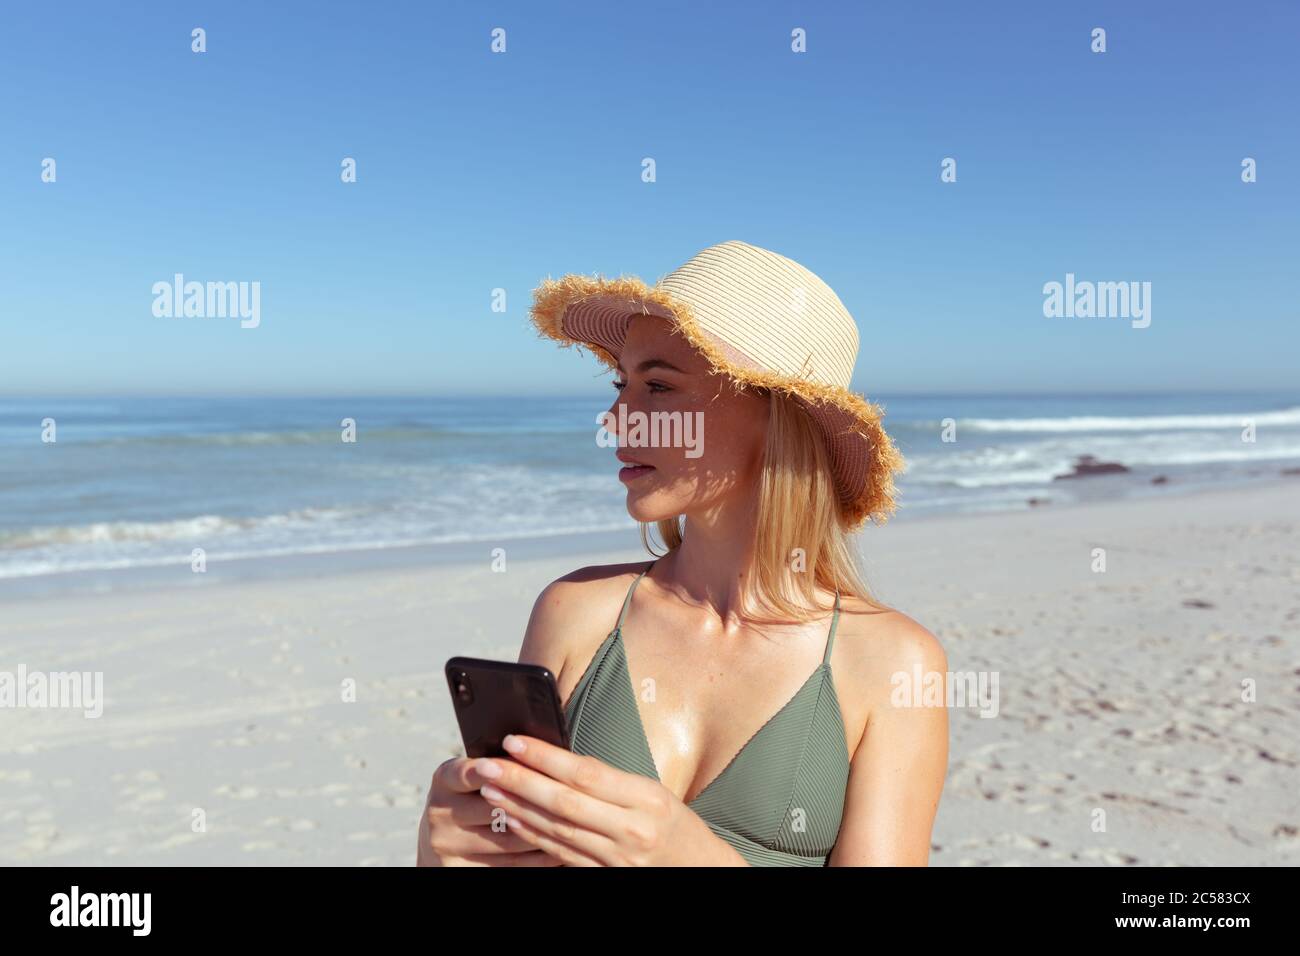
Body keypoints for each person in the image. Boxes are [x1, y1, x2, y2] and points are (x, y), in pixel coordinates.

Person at [419, 240, 948, 866]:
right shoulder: (577, 613)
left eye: (659, 387)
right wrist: (441, 856)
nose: (617, 420)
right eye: (622, 384)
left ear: (780, 416)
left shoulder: (890, 663)